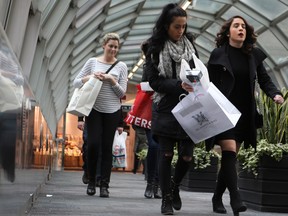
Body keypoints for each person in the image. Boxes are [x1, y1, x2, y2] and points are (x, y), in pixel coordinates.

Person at [205, 15, 285, 216]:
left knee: (230, 157)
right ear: (228, 31)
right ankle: (235, 197)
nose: (241, 29)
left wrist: (275, 94)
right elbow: (209, 86)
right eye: (236, 26)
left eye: (243, 26)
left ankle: (216, 197)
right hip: (223, 111)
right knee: (230, 150)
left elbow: (265, 79)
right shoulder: (217, 55)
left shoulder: (253, 55)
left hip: (244, 113)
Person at [143, 3, 199, 215]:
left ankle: (174, 187)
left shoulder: (190, 45)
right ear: (166, 26)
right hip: (166, 107)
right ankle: (166, 198)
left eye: (184, 26)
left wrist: (196, 81)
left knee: (187, 157)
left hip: (189, 106)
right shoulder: (155, 47)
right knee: (165, 155)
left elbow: (198, 70)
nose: (181, 31)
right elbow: (153, 81)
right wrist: (178, 85)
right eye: (177, 26)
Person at [73, 32, 128, 197]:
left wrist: (112, 80)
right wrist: (90, 77)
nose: (113, 49)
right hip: (94, 109)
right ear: (104, 46)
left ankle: (104, 185)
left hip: (112, 112)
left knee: (106, 147)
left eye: (116, 47)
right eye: (110, 46)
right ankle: (91, 181)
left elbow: (122, 93)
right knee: (93, 144)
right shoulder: (92, 62)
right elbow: (76, 82)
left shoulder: (121, 67)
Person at [141, 41, 161, 199]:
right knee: (154, 145)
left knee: (163, 148)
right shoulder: (148, 65)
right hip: (151, 110)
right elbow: (144, 86)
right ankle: (151, 183)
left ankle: (159, 184)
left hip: (167, 110)